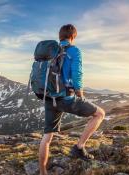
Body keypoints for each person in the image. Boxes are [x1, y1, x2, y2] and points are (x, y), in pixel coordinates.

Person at [38, 24, 105, 175]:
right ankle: (79, 147)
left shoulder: (51, 52)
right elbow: (77, 75)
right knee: (100, 114)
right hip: (65, 98)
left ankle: (42, 172)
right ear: (73, 36)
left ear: (60, 36)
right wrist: (80, 95)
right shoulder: (74, 51)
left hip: (48, 97)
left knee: (47, 137)